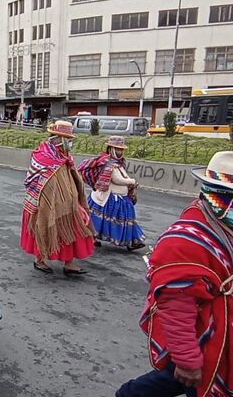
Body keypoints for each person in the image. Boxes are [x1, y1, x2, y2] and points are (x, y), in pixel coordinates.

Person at [116, 151, 233, 397]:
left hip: (223, 337)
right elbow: (177, 306)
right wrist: (187, 360)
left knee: (172, 379)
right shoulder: (186, 240)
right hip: (205, 338)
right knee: (188, 378)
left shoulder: (221, 223)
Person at [20, 120, 95, 275]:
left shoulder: (65, 155)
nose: (70, 142)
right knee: (43, 226)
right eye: (68, 139)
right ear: (58, 138)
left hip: (67, 204)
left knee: (72, 230)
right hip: (45, 203)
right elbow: (36, 181)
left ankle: (69, 263)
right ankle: (39, 260)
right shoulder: (43, 155)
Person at [81, 136, 146, 251]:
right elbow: (116, 179)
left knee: (126, 219)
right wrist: (132, 181)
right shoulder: (108, 163)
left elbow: (122, 176)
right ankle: (92, 237)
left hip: (121, 197)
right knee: (99, 219)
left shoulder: (119, 163)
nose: (120, 152)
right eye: (117, 149)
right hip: (109, 198)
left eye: (121, 149)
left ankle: (132, 241)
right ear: (111, 149)